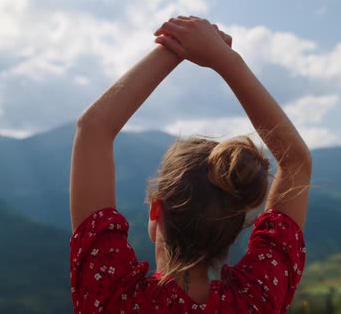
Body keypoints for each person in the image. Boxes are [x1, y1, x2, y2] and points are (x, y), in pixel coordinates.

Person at [69, 15, 311, 313]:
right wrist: (223, 59)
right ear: (233, 227)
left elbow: (93, 128)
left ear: (157, 208)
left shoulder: (112, 296)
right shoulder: (256, 300)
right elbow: (297, 162)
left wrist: (174, 47)